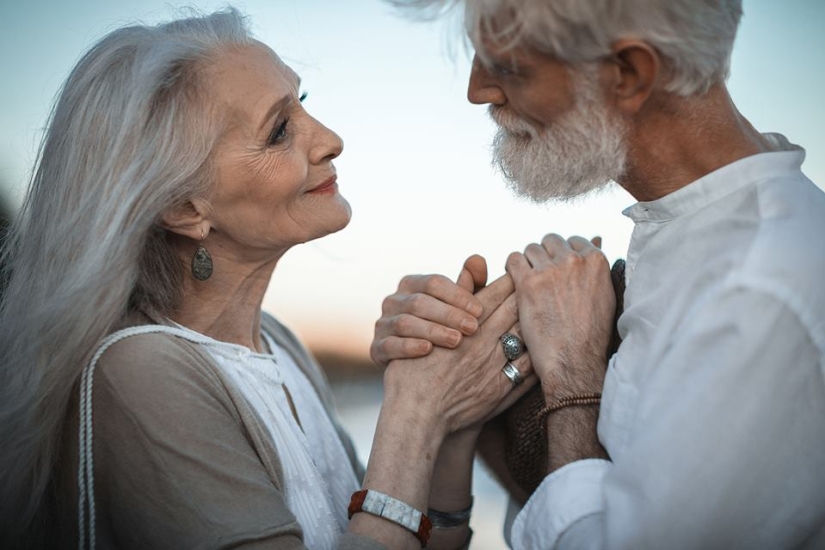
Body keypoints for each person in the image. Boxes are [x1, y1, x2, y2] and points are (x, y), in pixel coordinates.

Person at [0, 8, 536, 550]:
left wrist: (452, 415)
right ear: (185, 208)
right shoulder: (137, 372)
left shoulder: (277, 343)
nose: (331, 140)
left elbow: (400, 535)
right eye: (279, 131)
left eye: (303, 103)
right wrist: (413, 411)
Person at [372, 0, 825, 548]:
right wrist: (455, 386)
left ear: (628, 74)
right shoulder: (699, 233)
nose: (478, 91)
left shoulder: (761, 289)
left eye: (509, 66)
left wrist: (572, 374)